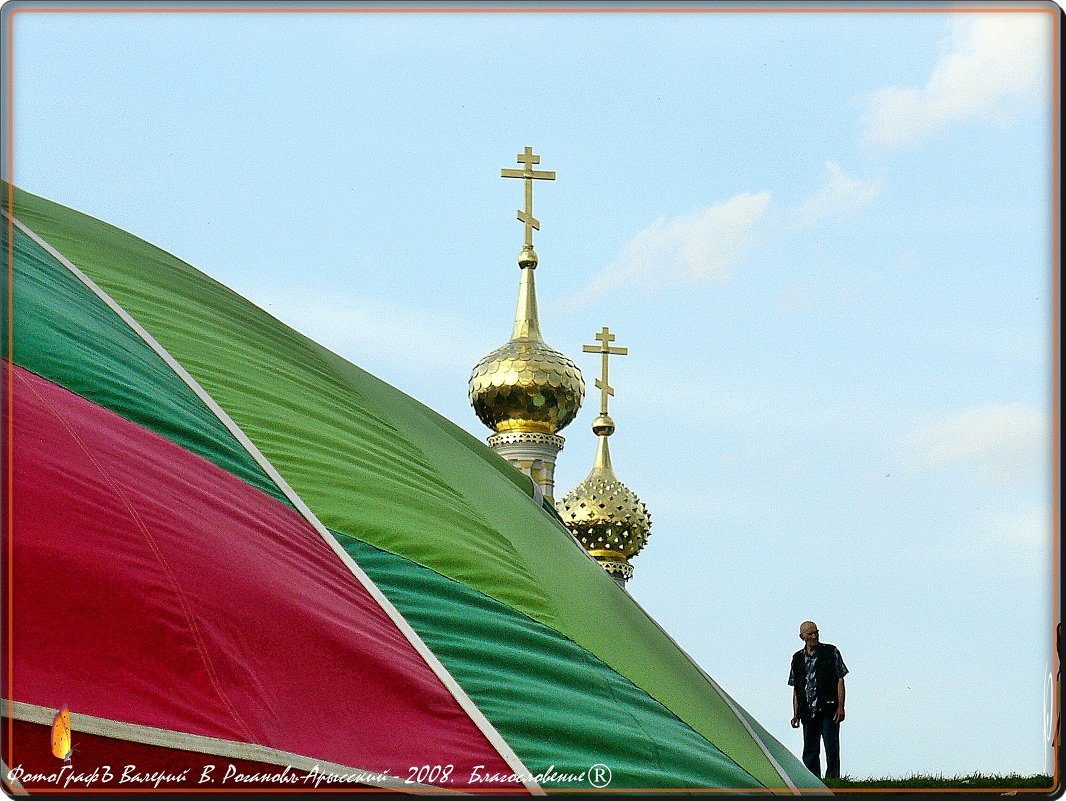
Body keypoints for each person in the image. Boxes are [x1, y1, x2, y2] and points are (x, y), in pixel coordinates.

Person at [788, 621, 848, 780]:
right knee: (810, 749)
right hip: (808, 711)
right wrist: (796, 714)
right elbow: (796, 688)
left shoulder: (831, 651)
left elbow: (840, 680)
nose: (814, 636)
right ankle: (813, 781)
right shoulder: (797, 658)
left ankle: (833, 780)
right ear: (802, 637)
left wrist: (841, 707)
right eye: (810, 634)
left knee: (831, 747)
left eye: (816, 632)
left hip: (829, 708)